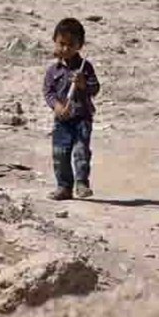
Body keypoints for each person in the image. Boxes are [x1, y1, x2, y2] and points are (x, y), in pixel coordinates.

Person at [43, 18, 100, 200]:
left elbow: (95, 89)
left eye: (71, 45)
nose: (66, 49)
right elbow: (48, 92)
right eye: (62, 44)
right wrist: (56, 106)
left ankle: (81, 183)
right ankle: (64, 187)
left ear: (79, 46)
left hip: (82, 118)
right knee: (60, 153)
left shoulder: (85, 68)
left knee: (81, 151)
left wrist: (83, 84)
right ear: (55, 41)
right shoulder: (53, 71)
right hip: (62, 120)